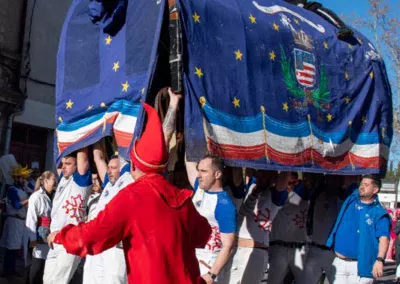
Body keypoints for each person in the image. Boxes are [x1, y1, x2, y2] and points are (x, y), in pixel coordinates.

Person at [47, 103, 212, 284]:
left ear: (133, 166)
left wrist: (62, 236)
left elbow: (91, 235)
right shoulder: (182, 198)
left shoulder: (132, 196)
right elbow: (202, 234)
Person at [226, 169, 290, 284]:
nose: (261, 176)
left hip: (256, 253)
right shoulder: (251, 186)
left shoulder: (275, 196)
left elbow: (284, 179)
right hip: (235, 250)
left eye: (266, 174)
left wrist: (286, 159)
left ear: (273, 178)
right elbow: (245, 168)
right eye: (259, 172)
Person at [326, 174, 390, 283]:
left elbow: (384, 238)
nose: (361, 186)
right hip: (339, 263)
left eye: (366, 184)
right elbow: (352, 172)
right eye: (361, 184)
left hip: (361, 267)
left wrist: (380, 260)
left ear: (375, 189)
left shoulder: (379, 213)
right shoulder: (351, 198)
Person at [185, 154, 237, 283]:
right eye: (199, 170)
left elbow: (228, 246)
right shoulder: (200, 189)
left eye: (203, 171)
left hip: (207, 266)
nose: (198, 175)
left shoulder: (224, 205)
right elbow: (189, 161)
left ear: (217, 174)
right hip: (191, 261)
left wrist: (211, 275)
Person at [43, 148, 92, 284]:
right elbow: (57, 154)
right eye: (63, 164)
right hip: (53, 240)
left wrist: (80, 132)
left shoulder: (81, 181)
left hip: (69, 240)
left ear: (77, 166)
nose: (63, 167)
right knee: (47, 281)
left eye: (68, 164)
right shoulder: (63, 180)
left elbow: (82, 156)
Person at [268, 172, 310, 284]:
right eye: (286, 182)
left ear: (297, 182)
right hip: (278, 248)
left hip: (299, 249)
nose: (288, 185)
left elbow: (308, 181)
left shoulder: (303, 195)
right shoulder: (273, 195)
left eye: (292, 182)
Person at [302, 174, 342, 284]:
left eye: (336, 178)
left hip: (334, 253)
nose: (333, 181)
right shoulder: (317, 194)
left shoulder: (344, 199)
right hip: (315, 249)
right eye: (330, 178)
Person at [25, 171, 57, 284]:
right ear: (46, 181)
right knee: (37, 265)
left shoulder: (55, 196)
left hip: (51, 234)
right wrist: (33, 238)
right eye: (54, 179)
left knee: (46, 266)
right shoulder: (36, 196)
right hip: (40, 235)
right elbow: (31, 219)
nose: (56, 182)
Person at [0, 164, 31, 278]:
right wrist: (29, 200)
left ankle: (11, 269)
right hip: (14, 220)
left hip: (20, 221)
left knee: (16, 246)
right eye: (22, 178)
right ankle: (6, 271)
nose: (24, 180)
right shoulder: (12, 190)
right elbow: (17, 205)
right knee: (11, 247)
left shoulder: (22, 189)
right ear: (16, 178)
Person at [284, 0, 354, 40]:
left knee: (314, 7)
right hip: (281, 6)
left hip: (299, 5)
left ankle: (342, 27)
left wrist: (300, 3)